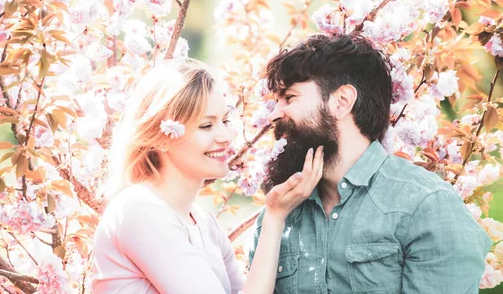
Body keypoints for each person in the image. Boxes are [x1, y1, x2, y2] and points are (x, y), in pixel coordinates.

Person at [249, 33, 493, 294]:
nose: (275, 114)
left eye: (290, 98)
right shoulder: (276, 214)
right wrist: (275, 216)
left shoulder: (426, 205)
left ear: (341, 102)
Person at [92, 58, 324, 294]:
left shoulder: (204, 223)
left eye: (225, 120)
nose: (225, 136)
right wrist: (274, 216)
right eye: (205, 126)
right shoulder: (140, 211)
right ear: (160, 136)